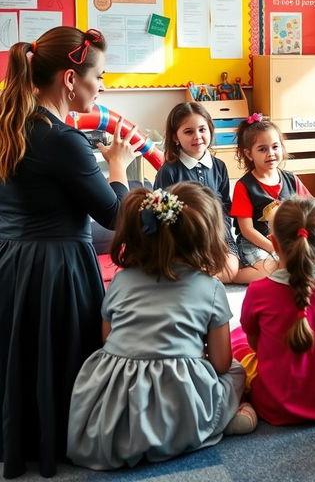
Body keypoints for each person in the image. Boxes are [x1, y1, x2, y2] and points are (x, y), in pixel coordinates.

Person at [0, 27, 138, 478]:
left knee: (24, 352)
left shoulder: (11, 124)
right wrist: (118, 165)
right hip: (57, 267)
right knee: (61, 353)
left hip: (13, 260)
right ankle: (62, 437)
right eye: (98, 75)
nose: (102, 86)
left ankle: (24, 435)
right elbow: (115, 216)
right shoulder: (62, 140)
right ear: (70, 79)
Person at [67, 183, 255, 471]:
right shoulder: (211, 288)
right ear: (206, 239)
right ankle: (218, 421)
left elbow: (107, 339)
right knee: (236, 370)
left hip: (116, 402)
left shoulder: (121, 281)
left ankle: (131, 433)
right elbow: (220, 363)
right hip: (181, 398)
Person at [232, 197, 315, 424]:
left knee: (236, 343)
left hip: (276, 404)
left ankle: (241, 408)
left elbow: (255, 345)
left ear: (273, 243)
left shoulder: (258, 290)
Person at [154, 102, 248, 283]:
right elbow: (161, 213)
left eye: (202, 130)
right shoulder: (169, 171)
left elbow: (226, 206)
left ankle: (197, 277)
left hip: (218, 236)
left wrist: (221, 235)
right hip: (183, 239)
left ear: (210, 131)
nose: (197, 136)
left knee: (230, 271)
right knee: (181, 267)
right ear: (175, 137)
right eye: (188, 132)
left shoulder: (219, 166)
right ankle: (193, 275)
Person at [230, 113, 311, 279]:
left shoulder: (290, 179)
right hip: (254, 242)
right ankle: (233, 274)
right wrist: (273, 248)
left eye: (275, 147)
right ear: (249, 154)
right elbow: (247, 230)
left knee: (304, 265)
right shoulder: (244, 185)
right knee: (272, 271)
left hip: (286, 240)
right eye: (262, 149)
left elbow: (311, 208)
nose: (271, 153)